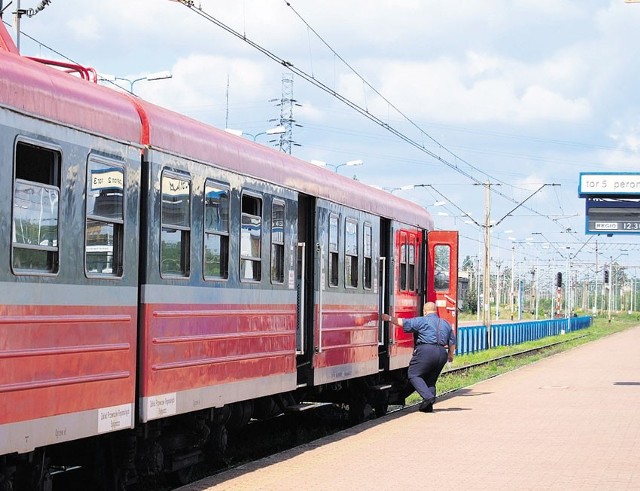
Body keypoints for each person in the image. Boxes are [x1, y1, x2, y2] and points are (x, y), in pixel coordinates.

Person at [382, 302, 456, 413]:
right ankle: (427, 407)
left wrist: (388, 318)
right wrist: (450, 355)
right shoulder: (445, 323)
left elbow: (403, 322)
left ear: (425, 311)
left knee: (413, 374)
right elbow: (452, 342)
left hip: (426, 351)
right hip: (442, 353)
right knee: (431, 380)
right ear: (435, 311)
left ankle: (428, 397)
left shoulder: (422, 320)